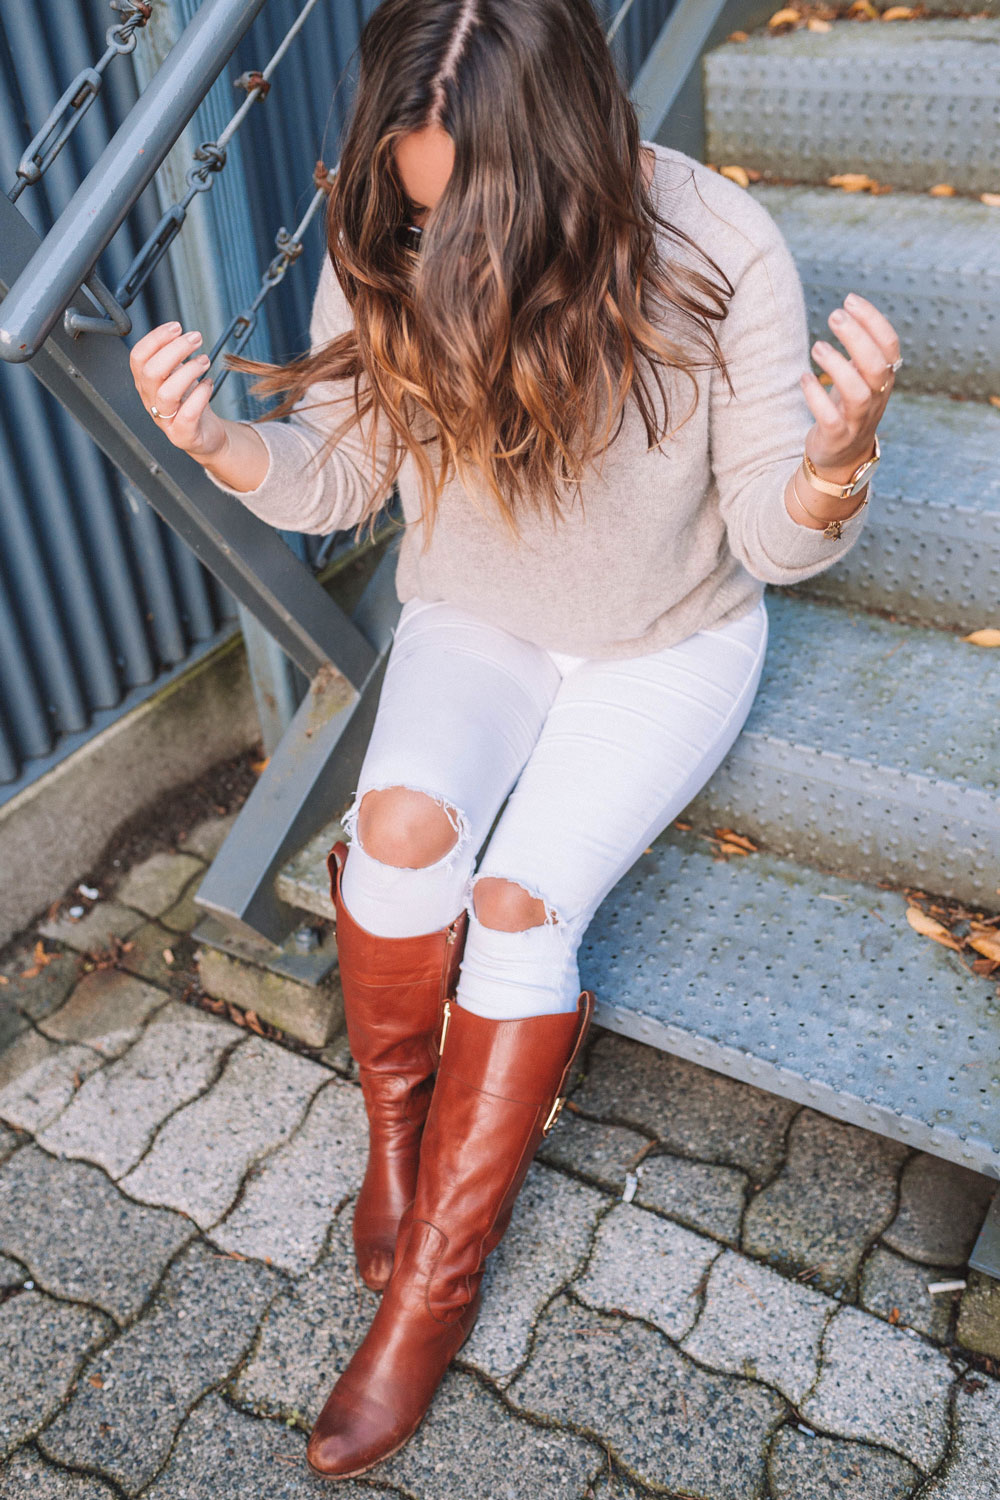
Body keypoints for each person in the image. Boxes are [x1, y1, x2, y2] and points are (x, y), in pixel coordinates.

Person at [129, 0, 901, 1479]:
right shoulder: (392, 218)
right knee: (401, 832)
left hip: (667, 634)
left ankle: (433, 1289)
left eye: (472, 211)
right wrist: (223, 445)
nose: (447, 247)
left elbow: (769, 543)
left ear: (566, 156)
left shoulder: (716, 244)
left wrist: (834, 457)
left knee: (512, 905)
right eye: (422, 205)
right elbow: (346, 467)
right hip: (474, 611)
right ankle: (399, 1142)